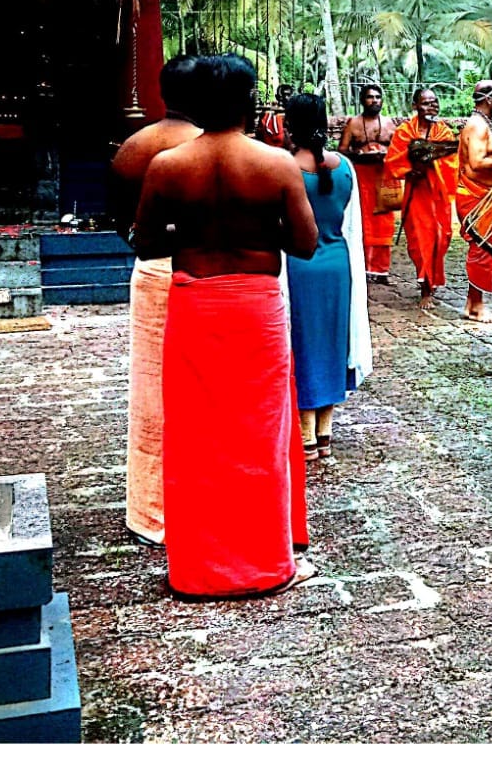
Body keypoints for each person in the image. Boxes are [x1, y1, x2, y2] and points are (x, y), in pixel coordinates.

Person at [133, 54, 318, 598]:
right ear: (248, 104)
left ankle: (197, 567)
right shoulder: (276, 165)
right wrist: (259, 230)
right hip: (256, 307)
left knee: (195, 435)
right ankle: (266, 562)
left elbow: (145, 242)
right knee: (260, 434)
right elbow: (305, 244)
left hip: (194, 300)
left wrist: (190, 231)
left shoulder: (167, 166)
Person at [108, 54, 203, 546]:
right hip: (201, 273)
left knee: (150, 396)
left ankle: (150, 511)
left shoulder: (134, 147)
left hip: (149, 270)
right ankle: (201, 503)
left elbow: (121, 221)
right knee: (205, 396)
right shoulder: (205, 150)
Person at [284, 93, 373, 465]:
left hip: (299, 265)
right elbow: (352, 223)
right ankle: (325, 434)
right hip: (339, 264)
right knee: (334, 342)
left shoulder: (286, 167)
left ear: (290, 126)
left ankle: (304, 436)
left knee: (304, 346)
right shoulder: (346, 167)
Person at [384, 86, 459, 311]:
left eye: (434, 102)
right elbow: (392, 161)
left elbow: (451, 162)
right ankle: (425, 288)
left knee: (441, 237)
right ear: (415, 106)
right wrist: (410, 170)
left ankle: (432, 279)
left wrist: (432, 162)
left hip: (438, 193)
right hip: (417, 194)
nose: (432, 106)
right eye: (426, 103)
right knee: (420, 241)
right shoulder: (405, 131)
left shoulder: (444, 132)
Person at [456, 80, 492, 323]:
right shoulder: (476, 126)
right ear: (488, 99)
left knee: (484, 249)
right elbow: (476, 163)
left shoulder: (483, 123)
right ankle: (477, 307)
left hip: (483, 196)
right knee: (482, 250)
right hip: (473, 196)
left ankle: (471, 304)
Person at [340, 84, 399, 283]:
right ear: (362, 100)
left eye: (377, 97)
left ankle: (382, 270)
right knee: (363, 221)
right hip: (362, 177)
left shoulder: (390, 124)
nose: (374, 100)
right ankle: (363, 267)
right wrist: (360, 154)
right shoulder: (353, 123)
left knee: (385, 223)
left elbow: (400, 151)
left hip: (385, 178)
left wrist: (385, 154)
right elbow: (342, 150)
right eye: (369, 97)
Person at [256, 83, 295, 148]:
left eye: (288, 95)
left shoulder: (295, 113)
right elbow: (260, 133)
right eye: (282, 95)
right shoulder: (267, 114)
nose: (285, 98)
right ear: (277, 97)